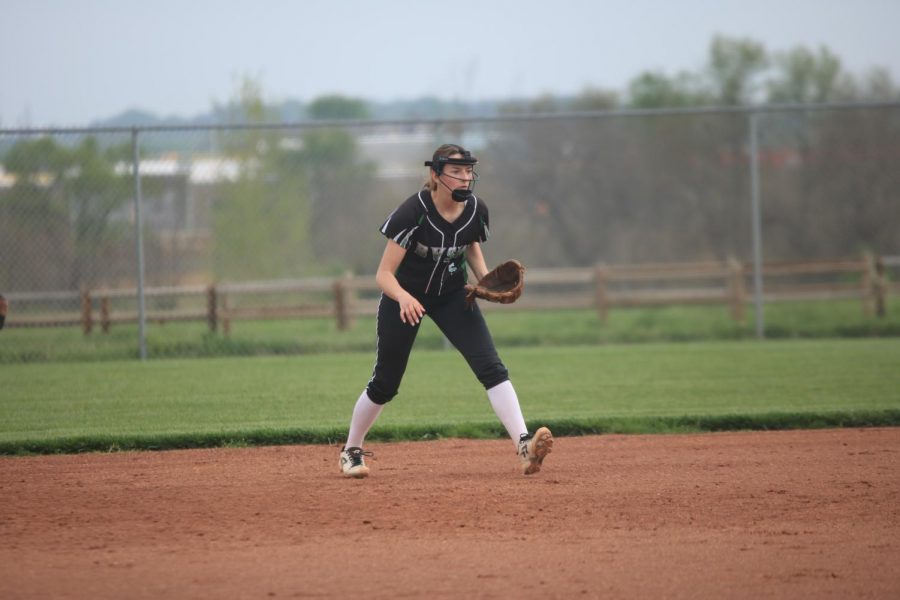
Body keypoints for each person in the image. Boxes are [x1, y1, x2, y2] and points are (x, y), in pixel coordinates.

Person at [338, 143, 553, 478]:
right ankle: (351, 450)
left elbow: (471, 246)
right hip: (405, 298)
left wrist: (486, 281)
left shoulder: (475, 209)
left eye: (469, 172)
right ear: (436, 175)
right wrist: (404, 298)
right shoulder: (414, 212)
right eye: (456, 172)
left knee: (492, 368)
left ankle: (524, 445)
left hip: (454, 295)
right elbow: (382, 275)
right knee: (386, 382)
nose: (465, 178)